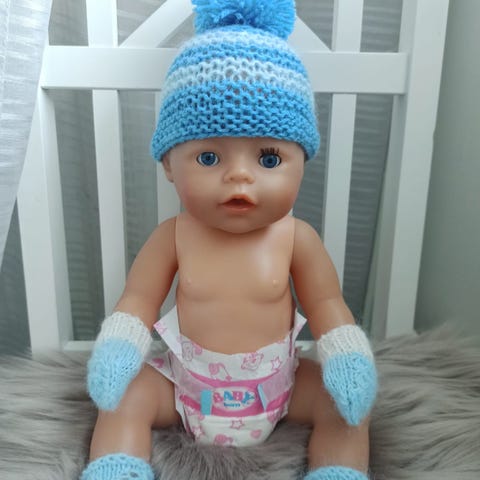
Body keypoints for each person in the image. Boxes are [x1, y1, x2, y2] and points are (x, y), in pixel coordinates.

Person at [80, 1, 377, 479]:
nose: (239, 176)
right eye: (209, 158)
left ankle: (336, 471)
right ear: (169, 165)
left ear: (302, 163)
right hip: (185, 391)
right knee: (124, 400)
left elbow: (327, 303)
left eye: (268, 158)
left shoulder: (296, 239)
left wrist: (346, 357)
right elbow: (138, 299)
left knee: (346, 409)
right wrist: (119, 348)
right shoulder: (173, 237)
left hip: (282, 389)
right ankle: (118, 467)